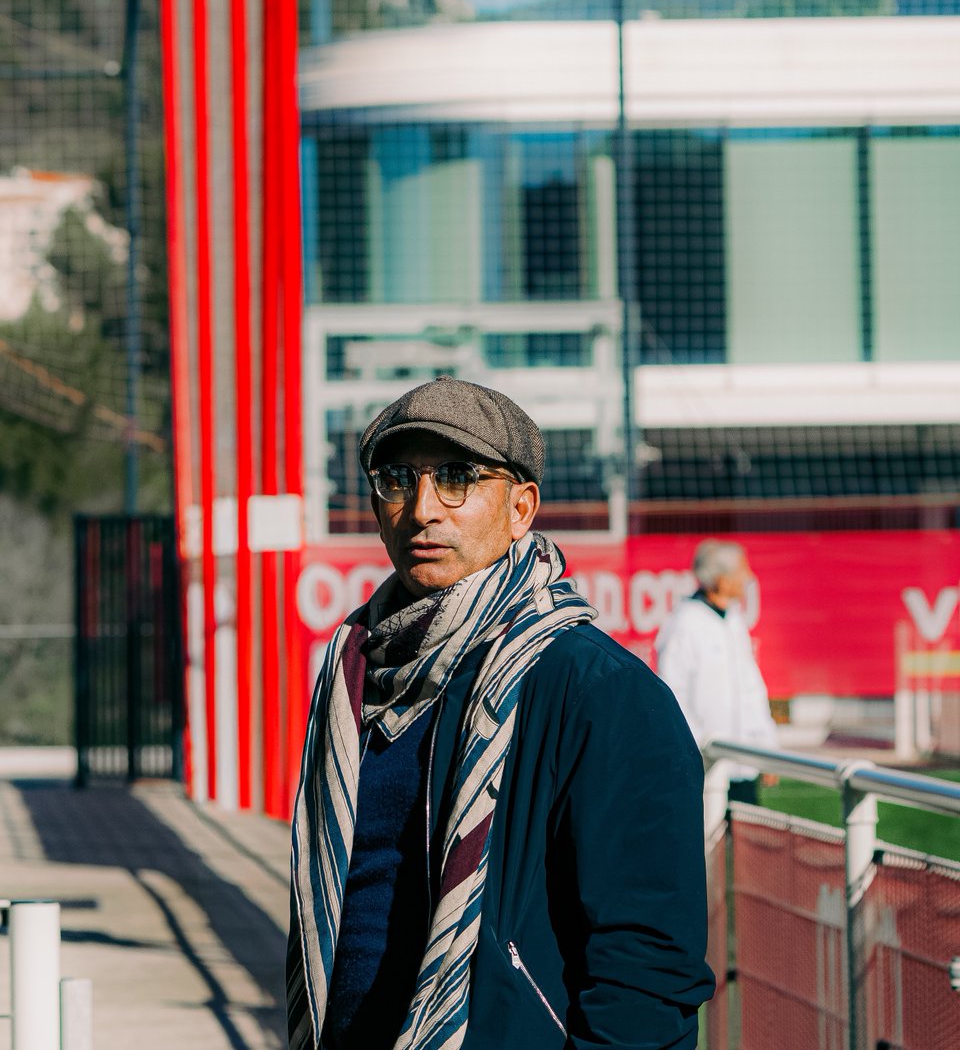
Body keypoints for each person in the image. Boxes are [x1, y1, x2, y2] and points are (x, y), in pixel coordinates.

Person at [287, 375, 714, 1050]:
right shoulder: (356, 674)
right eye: (397, 478)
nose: (422, 507)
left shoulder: (598, 691)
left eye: (457, 477)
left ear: (521, 508)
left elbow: (648, 971)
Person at [655, 539, 778, 804]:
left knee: (745, 839)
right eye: (742, 571)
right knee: (708, 841)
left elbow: (750, 688)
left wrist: (766, 746)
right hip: (705, 766)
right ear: (721, 580)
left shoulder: (733, 620)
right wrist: (700, 746)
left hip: (742, 762)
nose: (749, 578)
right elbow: (673, 694)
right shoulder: (684, 624)